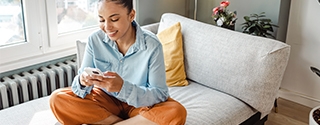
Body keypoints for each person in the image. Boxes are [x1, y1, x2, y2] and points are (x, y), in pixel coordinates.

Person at [49, 0, 187, 125]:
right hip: (105, 101)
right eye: (102, 20)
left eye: (114, 19)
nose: (107, 27)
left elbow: (159, 94)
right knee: (57, 99)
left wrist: (123, 88)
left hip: (139, 104)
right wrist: (83, 80)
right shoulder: (94, 40)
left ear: (131, 15)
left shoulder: (152, 45)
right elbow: (78, 89)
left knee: (176, 112)